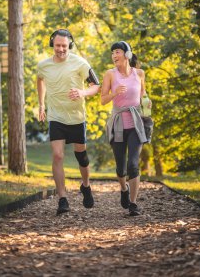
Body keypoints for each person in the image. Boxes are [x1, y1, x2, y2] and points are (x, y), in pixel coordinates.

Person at [37, 29, 100, 215]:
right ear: (52, 44)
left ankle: (86, 186)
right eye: (58, 45)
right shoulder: (44, 65)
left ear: (69, 45)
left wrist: (82, 93)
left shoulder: (80, 63)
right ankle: (62, 198)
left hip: (76, 118)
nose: (61, 49)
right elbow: (40, 80)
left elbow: (96, 85)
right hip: (56, 117)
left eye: (64, 45)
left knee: (81, 156)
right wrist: (41, 104)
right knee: (57, 155)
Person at [101, 41, 148, 216]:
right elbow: (103, 100)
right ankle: (123, 188)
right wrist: (115, 93)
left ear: (127, 54)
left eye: (118, 52)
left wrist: (147, 109)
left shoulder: (140, 74)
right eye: (113, 53)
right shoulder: (110, 75)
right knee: (121, 167)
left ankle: (134, 204)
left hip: (136, 124)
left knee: (133, 164)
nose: (114, 55)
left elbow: (143, 96)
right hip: (118, 124)